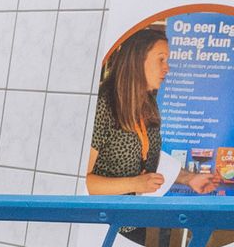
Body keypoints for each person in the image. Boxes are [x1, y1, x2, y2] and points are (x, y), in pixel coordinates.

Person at [83, 26, 219, 195]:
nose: (167, 68)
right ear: (137, 60)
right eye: (161, 59)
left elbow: (145, 158)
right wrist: (134, 185)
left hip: (131, 218)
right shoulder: (103, 106)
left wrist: (188, 178)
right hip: (101, 219)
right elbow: (80, 181)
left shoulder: (147, 104)